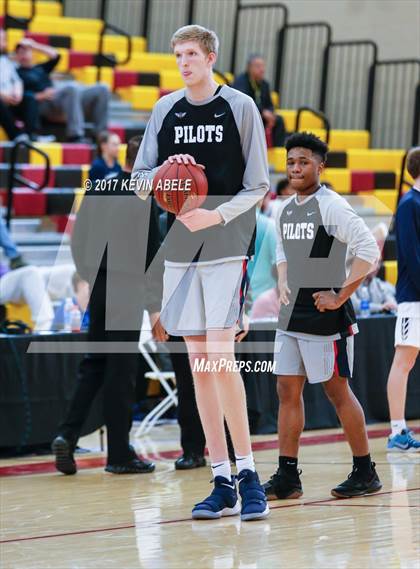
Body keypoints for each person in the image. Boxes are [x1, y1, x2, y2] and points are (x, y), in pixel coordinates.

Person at [132, 25, 269, 521]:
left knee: (220, 356)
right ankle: (220, 477)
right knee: (197, 363)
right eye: (178, 55)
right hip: (180, 249)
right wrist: (166, 168)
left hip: (227, 243)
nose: (184, 62)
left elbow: (258, 186)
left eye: (192, 53)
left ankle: (250, 472)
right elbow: (139, 182)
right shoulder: (165, 109)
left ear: (210, 57)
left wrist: (217, 215)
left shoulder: (239, 107)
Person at [264, 132, 382, 500]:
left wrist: (340, 295)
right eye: (291, 162)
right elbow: (282, 252)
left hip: (324, 315)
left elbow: (368, 251)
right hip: (291, 314)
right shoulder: (283, 208)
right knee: (286, 389)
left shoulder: (332, 206)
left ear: (320, 165)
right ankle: (287, 475)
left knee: (336, 391)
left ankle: (365, 471)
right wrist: (283, 280)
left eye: (303, 162)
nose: (296, 168)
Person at [51, 135, 162, 475]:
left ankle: (66, 435)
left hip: (99, 286)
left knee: (95, 364)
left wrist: (91, 274)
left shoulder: (98, 188)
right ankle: (119, 455)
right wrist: (153, 301)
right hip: (126, 290)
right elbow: (152, 254)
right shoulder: (144, 197)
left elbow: (77, 240)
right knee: (120, 374)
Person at [386, 146, 420, 452]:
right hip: (414, 297)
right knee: (403, 361)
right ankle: (397, 431)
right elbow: (410, 254)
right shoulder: (409, 203)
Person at [16, 38, 109, 142]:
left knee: (102, 88)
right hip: (44, 105)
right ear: (16, 56)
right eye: (20, 53)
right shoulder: (16, 73)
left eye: (26, 51)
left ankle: (100, 135)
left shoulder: (40, 68)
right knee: (71, 87)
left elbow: (56, 55)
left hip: (60, 100)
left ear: (32, 53)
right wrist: (40, 95)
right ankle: (75, 136)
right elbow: (17, 97)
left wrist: (34, 45)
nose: (23, 55)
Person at [233, 54, 286, 147]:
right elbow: (243, 102)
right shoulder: (241, 82)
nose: (262, 69)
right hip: (245, 117)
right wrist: (262, 112)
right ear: (249, 67)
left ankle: (277, 151)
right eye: (258, 66)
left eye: (263, 66)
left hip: (261, 117)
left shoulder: (265, 84)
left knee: (279, 120)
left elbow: (269, 104)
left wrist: (270, 113)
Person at [0, 28, 29, 141]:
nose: (3, 43)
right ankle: (16, 136)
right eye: (1, 39)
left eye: (3, 40)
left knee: (29, 97)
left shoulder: (5, 60)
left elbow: (17, 80)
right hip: (2, 99)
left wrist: (18, 93)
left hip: (10, 100)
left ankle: (30, 135)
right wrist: (4, 96)